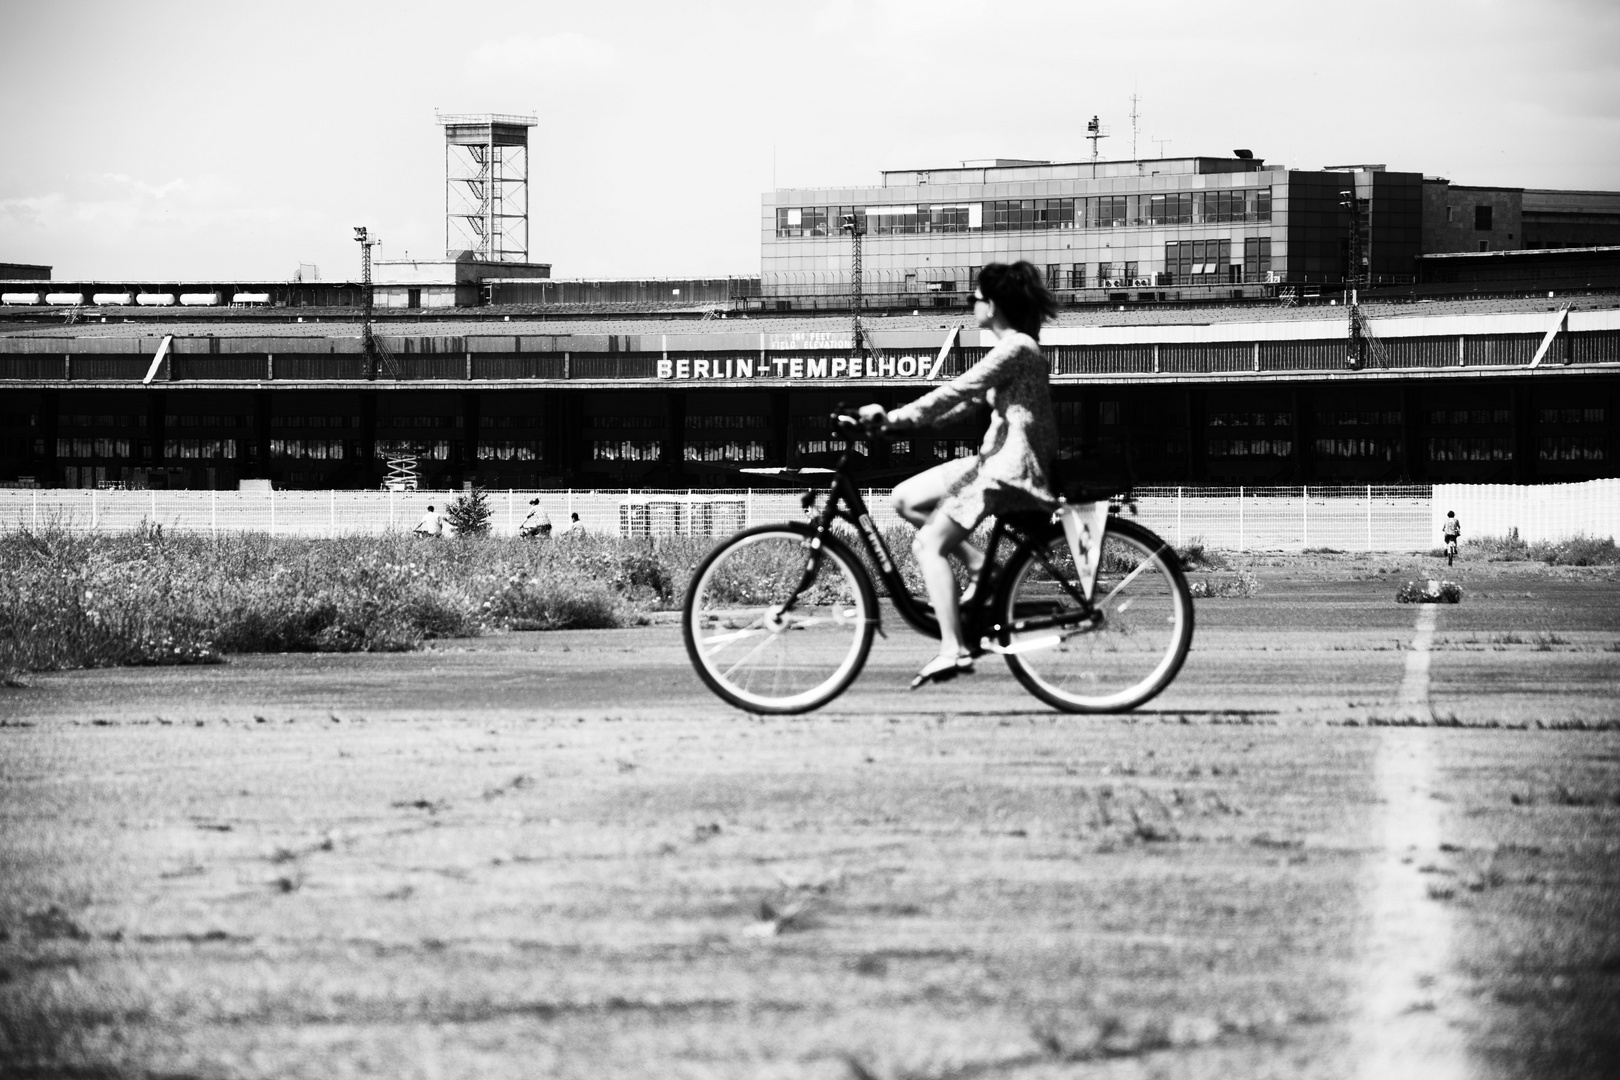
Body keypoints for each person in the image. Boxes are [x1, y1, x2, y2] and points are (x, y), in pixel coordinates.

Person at [860, 261, 1059, 689]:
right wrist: (895, 426)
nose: (971, 304)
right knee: (906, 499)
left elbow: (958, 389)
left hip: (1011, 467)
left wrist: (895, 415)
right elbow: (961, 406)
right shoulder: (1015, 351)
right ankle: (982, 569)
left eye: (975, 297)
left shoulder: (1017, 349)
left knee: (928, 546)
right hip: (995, 459)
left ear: (992, 305)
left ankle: (954, 649)